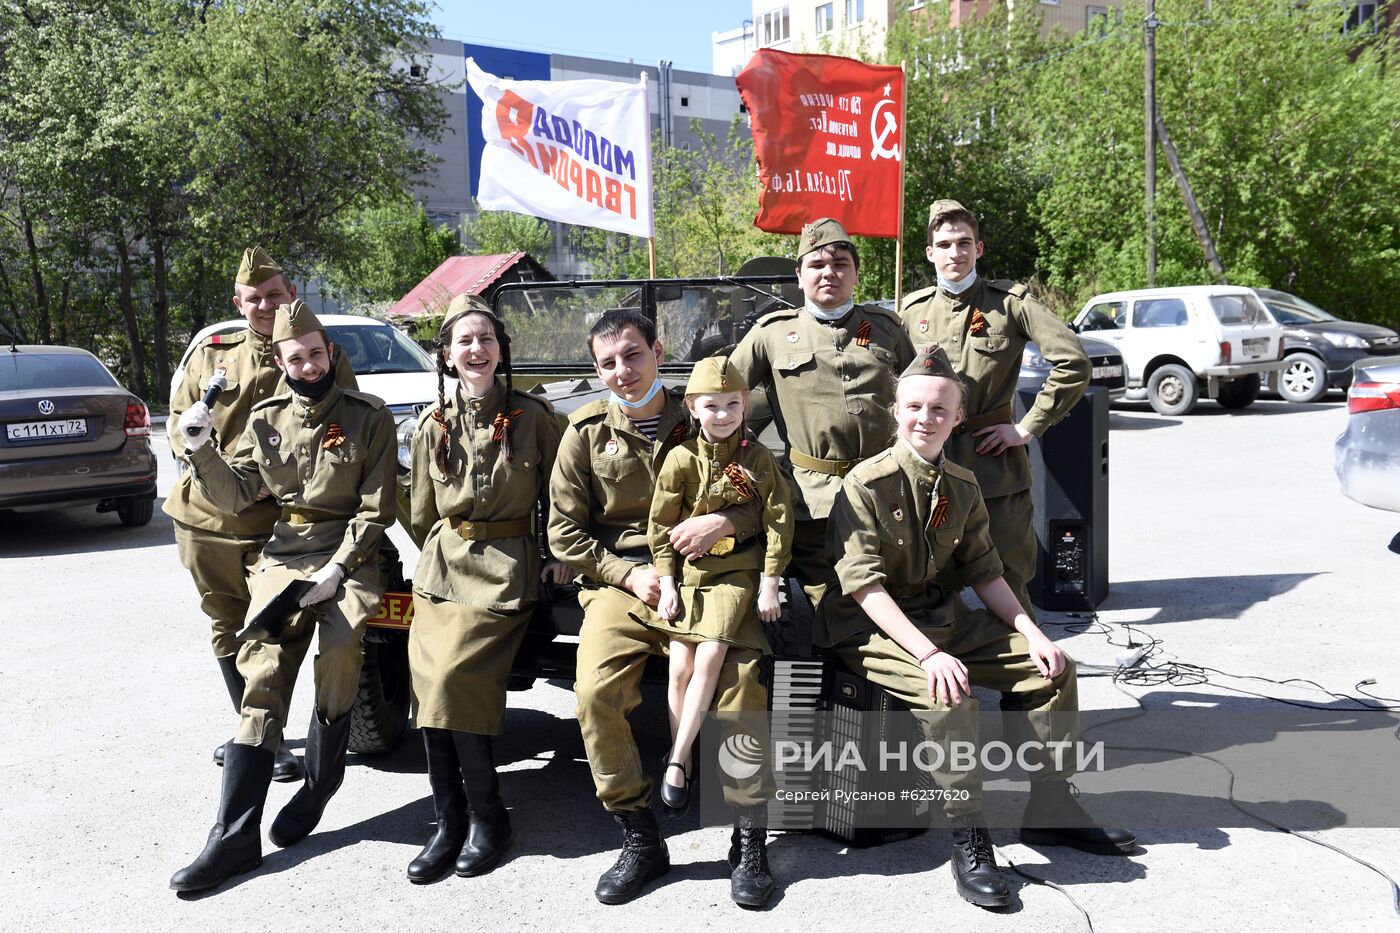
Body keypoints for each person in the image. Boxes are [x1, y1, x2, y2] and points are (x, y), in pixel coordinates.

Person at [822, 344, 1134, 909]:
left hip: (941, 617)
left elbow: (987, 573)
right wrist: (928, 656)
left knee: (1052, 673)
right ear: (895, 410)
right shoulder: (864, 484)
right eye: (914, 406)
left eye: (940, 409)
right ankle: (969, 837)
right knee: (951, 697)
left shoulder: (963, 486)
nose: (926, 418)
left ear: (959, 417)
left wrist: (1034, 634)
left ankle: (1052, 806)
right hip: (871, 628)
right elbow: (865, 587)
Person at [548, 309, 776, 908]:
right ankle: (640, 835)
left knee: (743, 686)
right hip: (625, 585)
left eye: (633, 355)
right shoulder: (584, 432)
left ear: (658, 348)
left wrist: (728, 519)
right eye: (607, 363)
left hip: (716, 574)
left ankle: (748, 838)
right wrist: (629, 573)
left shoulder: (708, 407)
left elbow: (772, 496)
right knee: (595, 693)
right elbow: (565, 532)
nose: (622, 372)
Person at [169, 300, 397, 893]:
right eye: (298, 357)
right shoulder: (265, 419)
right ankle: (234, 836)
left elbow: (376, 510)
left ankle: (321, 785)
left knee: (342, 651)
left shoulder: (369, 416)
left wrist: (340, 569)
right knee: (263, 672)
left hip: (351, 554)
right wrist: (200, 449)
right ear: (281, 360)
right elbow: (239, 494)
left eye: (318, 353)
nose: (310, 364)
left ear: (329, 353)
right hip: (287, 553)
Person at [164, 246, 355, 781]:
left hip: (283, 521)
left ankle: (272, 732)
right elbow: (182, 422)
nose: (266, 306)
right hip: (208, 519)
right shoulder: (212, 355)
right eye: (255, 299)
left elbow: (346, 429)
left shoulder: (320, 354)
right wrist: (195, 446)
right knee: (227, 626)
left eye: (275, 295)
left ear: (292, 294)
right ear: (239, 303)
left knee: (275, 630)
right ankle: (261, 740)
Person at [403, 295, 565, 884]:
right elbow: (422, 511)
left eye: (487, 339)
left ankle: (488, 816)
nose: (477, 349)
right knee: (428, 687)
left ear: (502, 350)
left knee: (450, 679)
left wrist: (556, 556)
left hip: (505, 569)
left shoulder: (533, 417)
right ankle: (450, 822)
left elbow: (564, 495)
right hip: (443, 571)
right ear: (446, 355)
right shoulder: (432, 424)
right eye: (464, 341)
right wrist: (442, 552)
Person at [898, 200, 1090, 618]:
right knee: (930, 576)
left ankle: (1022, 679)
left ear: (979, 248)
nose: (955, 253)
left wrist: (1026, 428)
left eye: (964, 242)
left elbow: (1074, 361)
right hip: (932, 465)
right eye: (944, 244)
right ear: (930, 252)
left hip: (993, 464)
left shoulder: (1010, 303)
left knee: (1006, 576)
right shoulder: (912, 312)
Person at [729, 217, 914, 633]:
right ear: (799, 274)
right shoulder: (772, 334)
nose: (828, 272)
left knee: (894, 590)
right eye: (816, 265)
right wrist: (748, 457)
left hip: (885, 489)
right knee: (831, 605)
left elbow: (923, 394)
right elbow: (719, 394)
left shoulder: (886, 328)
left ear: (856, 272)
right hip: (814, 501)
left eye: (840, 263)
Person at [647, 356, 792, 815]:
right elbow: (660, 526)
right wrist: (667, 584)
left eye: (733, 404)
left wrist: (769, 583)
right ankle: (686, 757)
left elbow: (778, 522)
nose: (724, 414)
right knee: (678, 666)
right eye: (712, 405)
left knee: (709, 653)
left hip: (736, 574)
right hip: (689, 575)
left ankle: (674, 761)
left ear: (746, 404)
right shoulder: (680, 459)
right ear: (692, 407)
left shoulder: (757, 458)